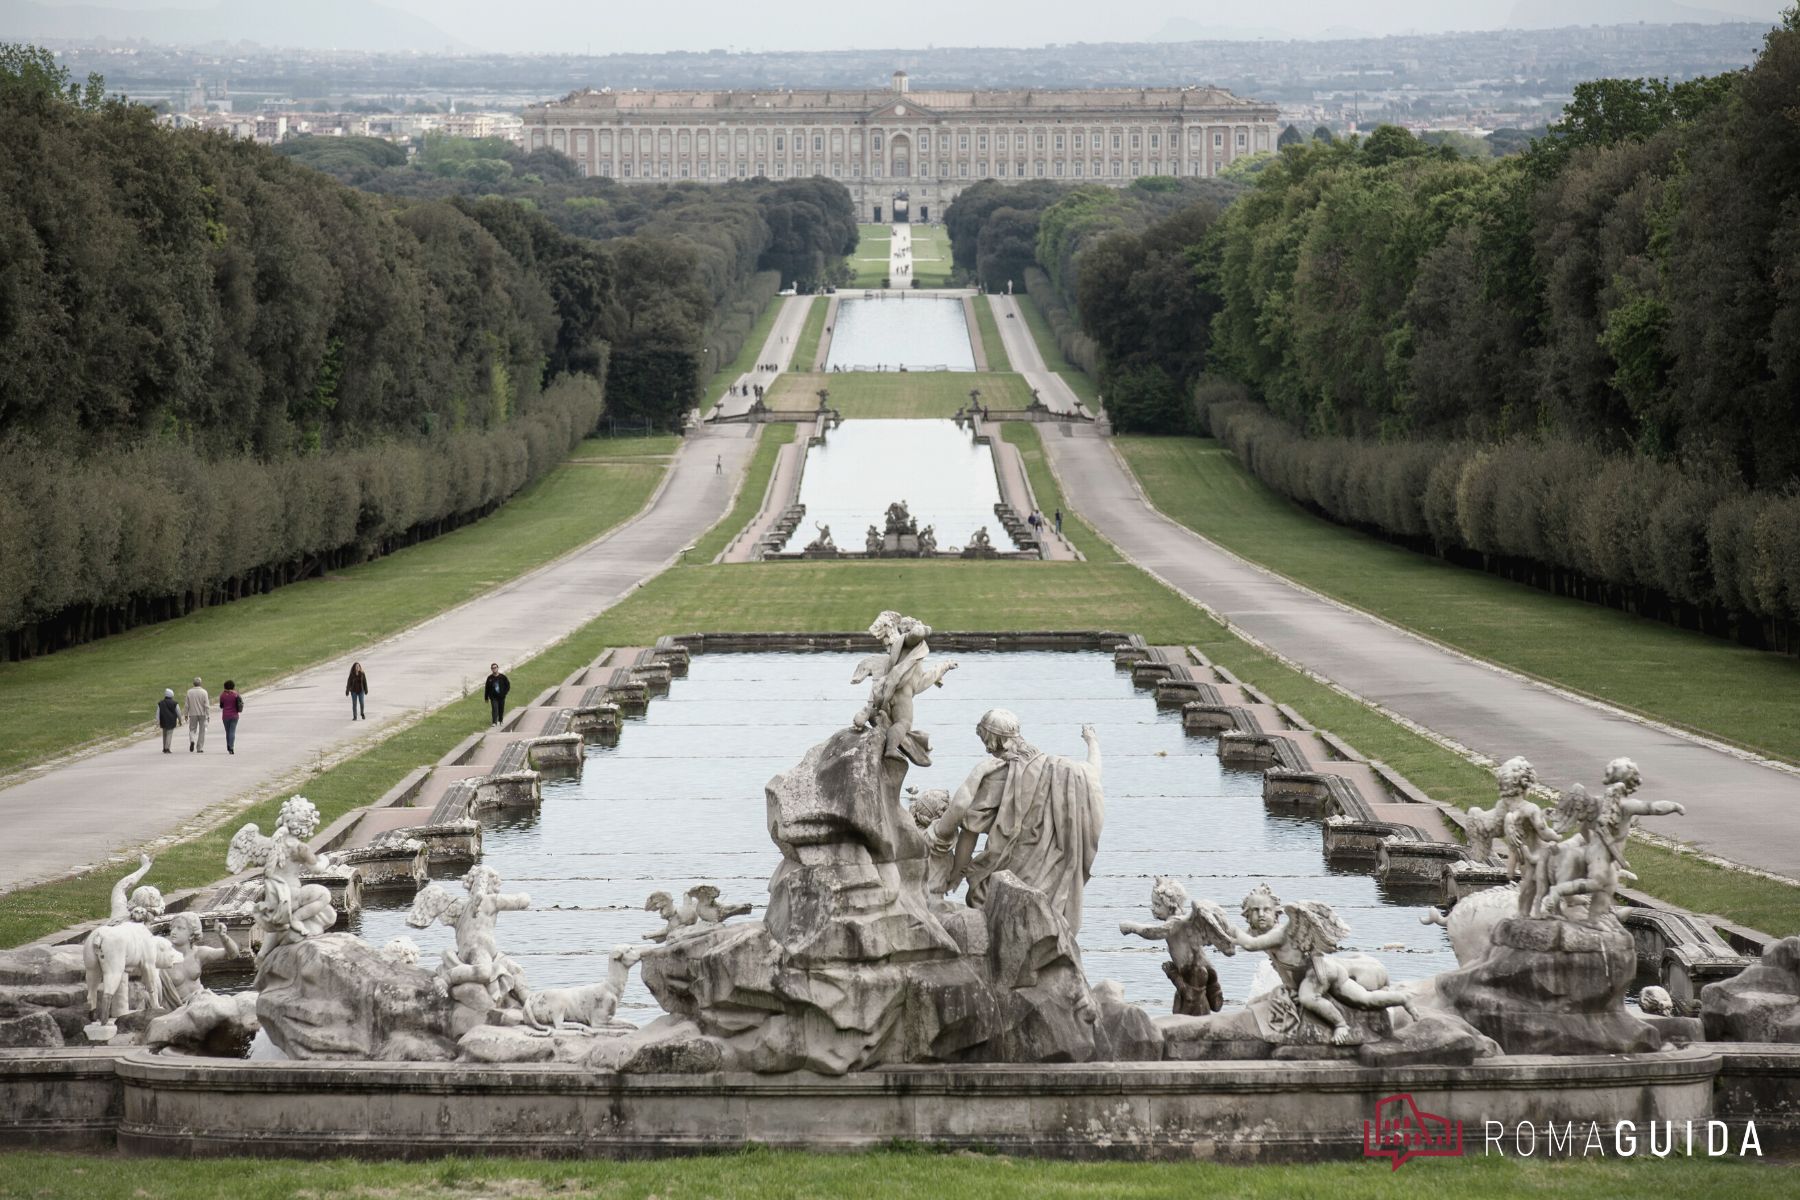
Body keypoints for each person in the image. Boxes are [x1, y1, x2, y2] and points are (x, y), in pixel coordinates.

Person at [183, 677, 210, 753]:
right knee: (202, 731)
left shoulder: (189, 692)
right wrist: (208, 715)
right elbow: (207, 705)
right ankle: (199, 748)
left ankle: (192, 740)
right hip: (202, 714)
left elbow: (186, 705)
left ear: (193, 684)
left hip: (193, 713)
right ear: (200, 683)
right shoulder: (204, 692)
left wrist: (185, 714)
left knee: (192, 729)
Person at [218, 680, 243, 755]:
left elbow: (221, 706)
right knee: (232, 731)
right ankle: (231, 747)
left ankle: (228, 745)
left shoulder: (222, 695)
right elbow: (240, 703)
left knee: (228, 732)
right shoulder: (236, 694)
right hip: (234, 715)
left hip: (225, 716)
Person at [156, 689, 180, 754]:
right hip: (171, 721)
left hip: (163, 721)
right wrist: (180, 720)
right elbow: (178, 712)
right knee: (169, 734)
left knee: (164, 734)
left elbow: (157, 713)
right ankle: (167, 748)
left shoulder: (160, 703)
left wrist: (158, 721)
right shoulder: (175, 703)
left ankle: (164, 747)